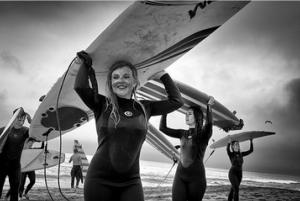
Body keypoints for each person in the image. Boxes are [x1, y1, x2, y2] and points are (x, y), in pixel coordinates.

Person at [74, 51, 183, 201]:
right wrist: (86, 65)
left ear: (134, 82)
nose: (121, 80)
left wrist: (163, 75)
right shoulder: (102, 104)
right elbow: (80, 87)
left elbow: (177, 101)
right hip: (99, 179)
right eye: (115, 77)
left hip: (131, 181)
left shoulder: (145, 107)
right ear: (110, 83)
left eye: (126, 76)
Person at [159, 97, 215, 201]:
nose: (186, 116)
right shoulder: (182, 133)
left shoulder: (203, 135)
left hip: (197, 179)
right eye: (186, 114)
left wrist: (209, 107)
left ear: (197, 116)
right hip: (180, 176)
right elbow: (162, 128)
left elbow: (209, 124)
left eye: (189, 114)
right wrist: (165, 109)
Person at [0, 108, 31, 201]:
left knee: (14, 191)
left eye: (23, 118)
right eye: (18, 117)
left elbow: (38, 134)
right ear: (13, 117)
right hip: (1, 165)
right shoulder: (3, 130)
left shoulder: (26, 131)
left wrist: (31, 120)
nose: (21, 119)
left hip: (15, 166)